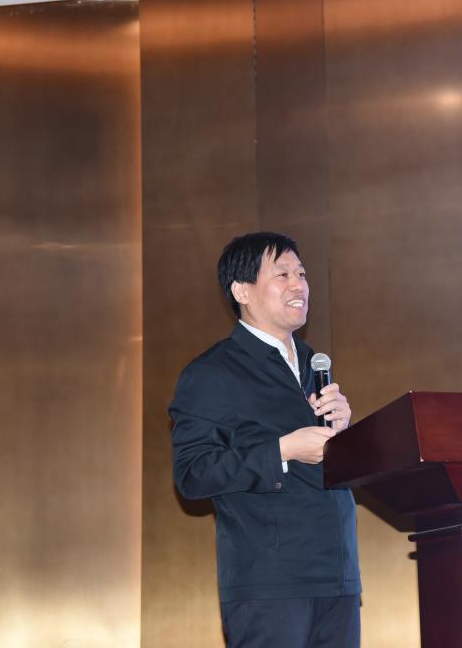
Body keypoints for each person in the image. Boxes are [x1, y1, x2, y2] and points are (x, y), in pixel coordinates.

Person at [170, 231, 361, 648]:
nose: (299, 285)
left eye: (302, 274)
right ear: (242, 290)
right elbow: (193, 474)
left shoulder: (314, 364)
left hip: (338, 576)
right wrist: (283, 450)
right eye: (282, 274)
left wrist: (345, 434)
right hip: (268, 583)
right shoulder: (211, 373)